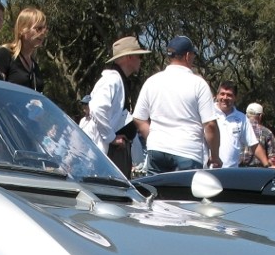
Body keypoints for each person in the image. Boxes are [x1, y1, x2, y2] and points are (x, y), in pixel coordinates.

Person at [133, 35, 220, 172]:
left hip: (157, 149)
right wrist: (215, 156)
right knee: (182, 193)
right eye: (192, 55)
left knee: (158, 192)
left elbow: (139, 117)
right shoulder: (198, 84)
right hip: (187, 150)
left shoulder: (152, 81)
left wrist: (154, 137)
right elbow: (210, 125)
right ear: (187, 56)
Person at [80, 35, 150, 177]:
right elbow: (98, 108)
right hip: (108, 151)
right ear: (129, 57)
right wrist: (111, 138)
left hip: (115, 149)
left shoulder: (119, 80)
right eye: (139, 56)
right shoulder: (112, 80)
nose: (141, 61)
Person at [0, 7, 47, 91]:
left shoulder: (34, 66)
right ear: (22, 30)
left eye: (45, 29)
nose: (43, 33)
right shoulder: (4, 54)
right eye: (39, 29)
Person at [213, 81, 268, 168]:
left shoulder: (242, 118)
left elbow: (254, 144)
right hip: (208, 170)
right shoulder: (207, 112)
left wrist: (267, 165)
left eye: (229, 95)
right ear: (217, 95)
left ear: (235, 98)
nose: (225, 97)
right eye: (222, 94)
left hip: (231, 172)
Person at [240, 102, 275, 167]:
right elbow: (272, 158)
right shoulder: (266, 132)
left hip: (237, 170)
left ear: (246, 114)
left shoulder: (238, 129)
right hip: (259, 172)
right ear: (260, 116)